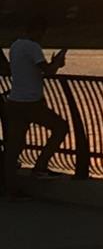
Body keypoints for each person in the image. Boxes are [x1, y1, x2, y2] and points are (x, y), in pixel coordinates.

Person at [3, 14, 68, 196]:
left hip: (14, 102)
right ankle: (40, 166)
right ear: (39, 31)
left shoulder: (15, 46)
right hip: (31, 103)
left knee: (14, 146)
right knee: (61, 127)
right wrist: (57, 62)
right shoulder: (33, 47)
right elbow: (47, 71)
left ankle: (10, 189)